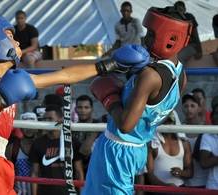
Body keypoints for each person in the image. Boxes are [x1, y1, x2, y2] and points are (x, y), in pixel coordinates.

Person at [0, 16, 143, 194]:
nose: (18, 42)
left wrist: (109, 64)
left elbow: (64, 76)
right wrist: (0, 98)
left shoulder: (15, 79)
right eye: (10, 36)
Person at [82, 6, 192, 195]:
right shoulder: (181, 74)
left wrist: (109, 97)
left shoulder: (150, 75)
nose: (144, 39)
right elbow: (153, 110)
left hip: (118, 148)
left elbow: (126, 124)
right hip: (137, 148)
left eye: (151, 33)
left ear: (170, 38)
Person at [29, 104, 84, 195]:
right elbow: (35, 173)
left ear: (60, 119)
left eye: (50, 118)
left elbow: (79, 172)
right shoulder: (38, 143)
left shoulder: (72, 141)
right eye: (45, 119)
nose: (46, 122)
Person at [147, 112, 193, 188]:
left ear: (175, 122)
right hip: (158, 191)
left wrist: (180, 173)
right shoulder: (153, 144)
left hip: (179, 190)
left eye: (170, 121)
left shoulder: (184, 143)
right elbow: (149, 174)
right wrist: (165, 186)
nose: (167, 125)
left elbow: (190, 172)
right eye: (164, 121)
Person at [181, 93, 209, 188]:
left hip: (204, 182)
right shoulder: (178, 129)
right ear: (182, 108)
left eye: (192, 106)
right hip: (184, 183)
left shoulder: (207, 130)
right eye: (186, 106)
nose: (189, 109)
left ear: (199, 108)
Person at [74, 95, 100, 176]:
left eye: (86, 107)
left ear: (92, 109)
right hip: (77, 172)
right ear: (75, 109)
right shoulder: (72, 128)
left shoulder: (100, 126)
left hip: (97, 170)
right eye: (80, 107)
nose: (83, 110)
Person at [174, 1, 202, 65]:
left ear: (184, 9)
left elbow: (196, 35)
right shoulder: (174, 20)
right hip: (179, 46)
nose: (179, 12)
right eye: (177, 10)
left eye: (181, 9)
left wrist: (199, 51)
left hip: (191, 45)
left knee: (179, 57)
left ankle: (181, 74)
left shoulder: (189, 17)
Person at [199, 96, 218, 190]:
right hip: (213, 187)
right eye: (217, 113)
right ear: (212, 116)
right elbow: (204, 163)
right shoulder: (207, 135)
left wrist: (214, 159)